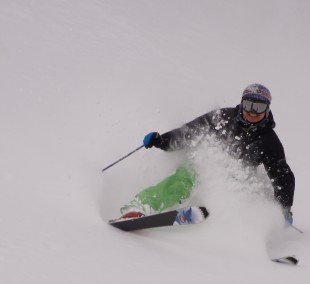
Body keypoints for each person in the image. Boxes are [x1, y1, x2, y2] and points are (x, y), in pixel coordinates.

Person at [118, 83, 296, 225]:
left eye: (259, 107)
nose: (252, 112)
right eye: (249, 105)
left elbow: (282, 177)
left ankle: (225, 225)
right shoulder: (224, 117)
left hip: (236, 180)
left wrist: (284, 209)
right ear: (242, 103)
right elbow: (188, 132)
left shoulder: (269, 141)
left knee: (246, 196)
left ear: (267, 109)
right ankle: (140, 206)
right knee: (183, 180)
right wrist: (161, 141)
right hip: (204, 165)